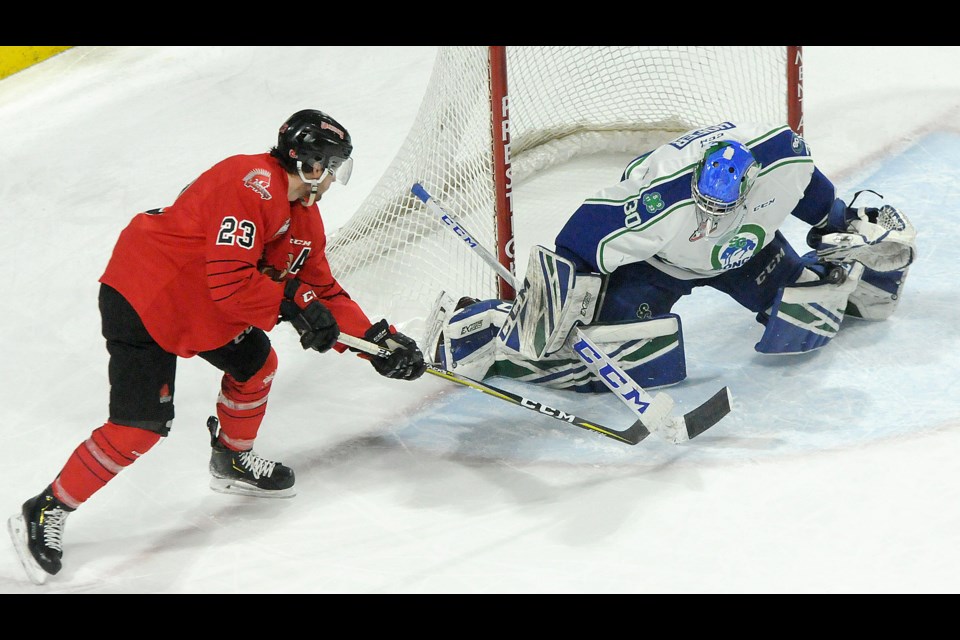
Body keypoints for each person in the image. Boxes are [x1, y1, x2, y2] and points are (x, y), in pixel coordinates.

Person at [7, 109, 427, 585]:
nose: (332, 178)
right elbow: (231, 283)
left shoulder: (303, 216)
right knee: (139, 427)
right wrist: (290, 302)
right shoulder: (249, 184)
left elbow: (322, 291)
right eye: (330, 166)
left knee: (256, 364)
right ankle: (45, 508)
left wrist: (375, 342)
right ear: (309, 164)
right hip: (147, 294)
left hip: (203, 306)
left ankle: (231, 457)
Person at [430, 121, 916, 392]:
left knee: (810, 315)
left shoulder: (779, 161)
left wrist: (839, 222)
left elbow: (808, 186)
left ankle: (849, 283)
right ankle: (479, 329)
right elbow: (578, 245)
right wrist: (565, 307)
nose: (710, 216)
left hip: (745, 254)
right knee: (627, 365)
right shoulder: (657, 203)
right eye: (706, 207)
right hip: (656, 268)